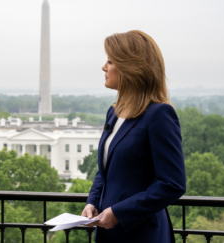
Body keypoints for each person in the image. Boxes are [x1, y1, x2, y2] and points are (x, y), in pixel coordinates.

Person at [81, 30, 186, 243]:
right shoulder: (114, 112)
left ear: (131, 68)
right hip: (107, 231)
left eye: (110, 61)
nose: (104, 67)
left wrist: (120, 213)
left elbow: (172, 184)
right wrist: (92, 202)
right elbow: (106, 170)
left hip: (141, 234)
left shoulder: (159, 114)